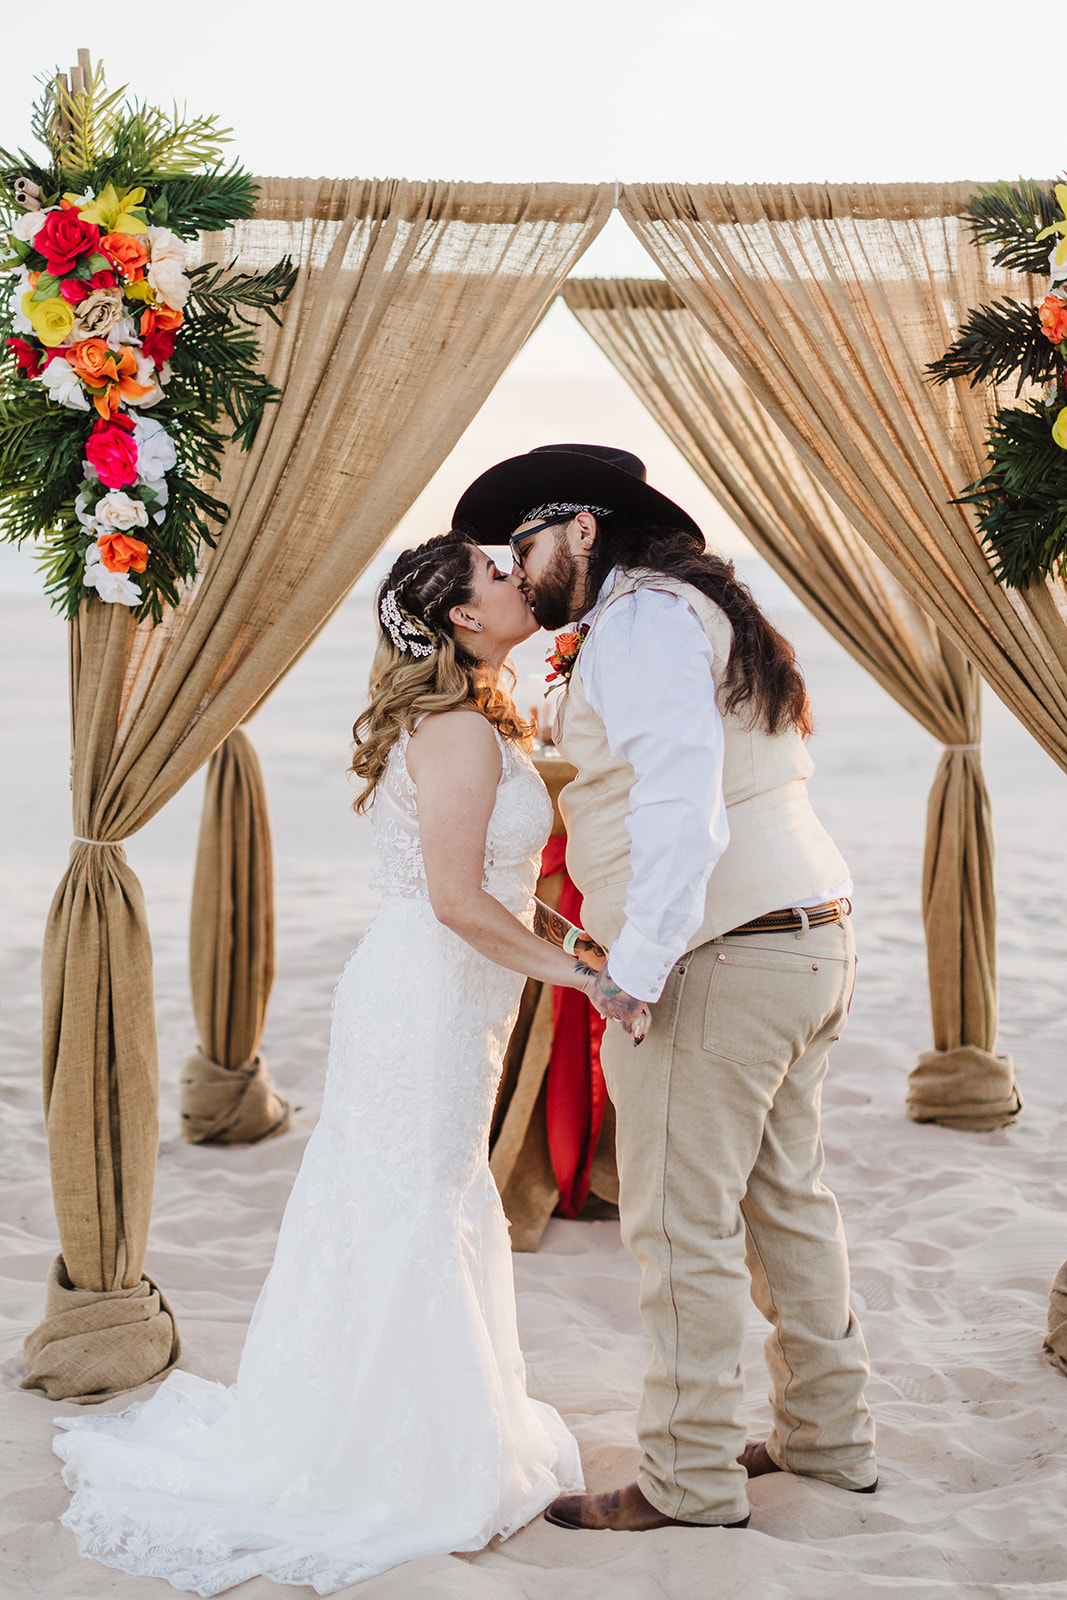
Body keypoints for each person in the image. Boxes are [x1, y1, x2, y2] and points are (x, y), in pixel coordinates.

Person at [52, 530, 644, 1595]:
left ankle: (411, 1421)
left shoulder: (481, 714)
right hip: (424, 995)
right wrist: (584, 981)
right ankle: (393, 1456)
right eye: (499, 575)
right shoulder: (457, 730)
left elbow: (495, 879)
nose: (520, 576)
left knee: (430, 1194)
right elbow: (459, 902)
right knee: (414, 1201)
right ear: (462, 618)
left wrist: (570, 935)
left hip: (453, 992)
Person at [453, 445, 877, 1533]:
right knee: (786, 1199)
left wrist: (631, 970)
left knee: (677, 1228)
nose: (519, 566)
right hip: (806, 930)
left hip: (717, 955)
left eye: (526, 545)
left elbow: (682, 804)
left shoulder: (640, 625)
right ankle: (826, 1439)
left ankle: (688, 1479)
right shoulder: (696, 611)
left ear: (582, 531)